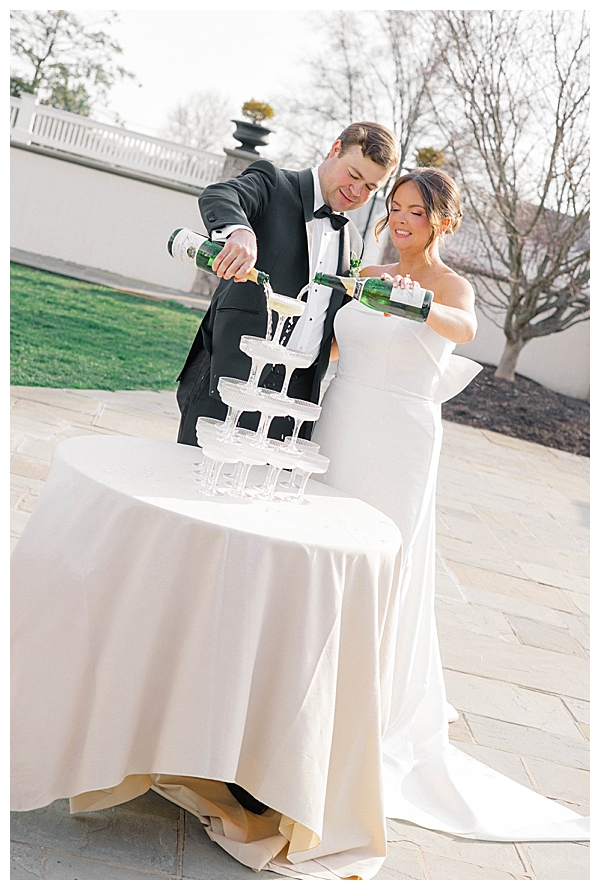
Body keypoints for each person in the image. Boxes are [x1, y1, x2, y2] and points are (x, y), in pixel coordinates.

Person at [312, 168, 588, 842]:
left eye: (417, 212)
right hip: (341, 418)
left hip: (399, 438)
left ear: (442, 221)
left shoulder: (448, 284)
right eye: (397, 209)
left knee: (384, 559)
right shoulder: (366, 269)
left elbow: (463, 329)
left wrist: (415, 305)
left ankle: (364, 703)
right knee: (325, 546)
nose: (403, 221)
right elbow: (340, 341)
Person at [176, 121, 399, 446]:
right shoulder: (274, 183)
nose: (357, 192)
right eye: (353, 175)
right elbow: (221, 194)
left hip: (293, 401)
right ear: (335, 150)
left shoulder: (353, 240)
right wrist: (239, 231)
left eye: (370, 188)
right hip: (230, 379)